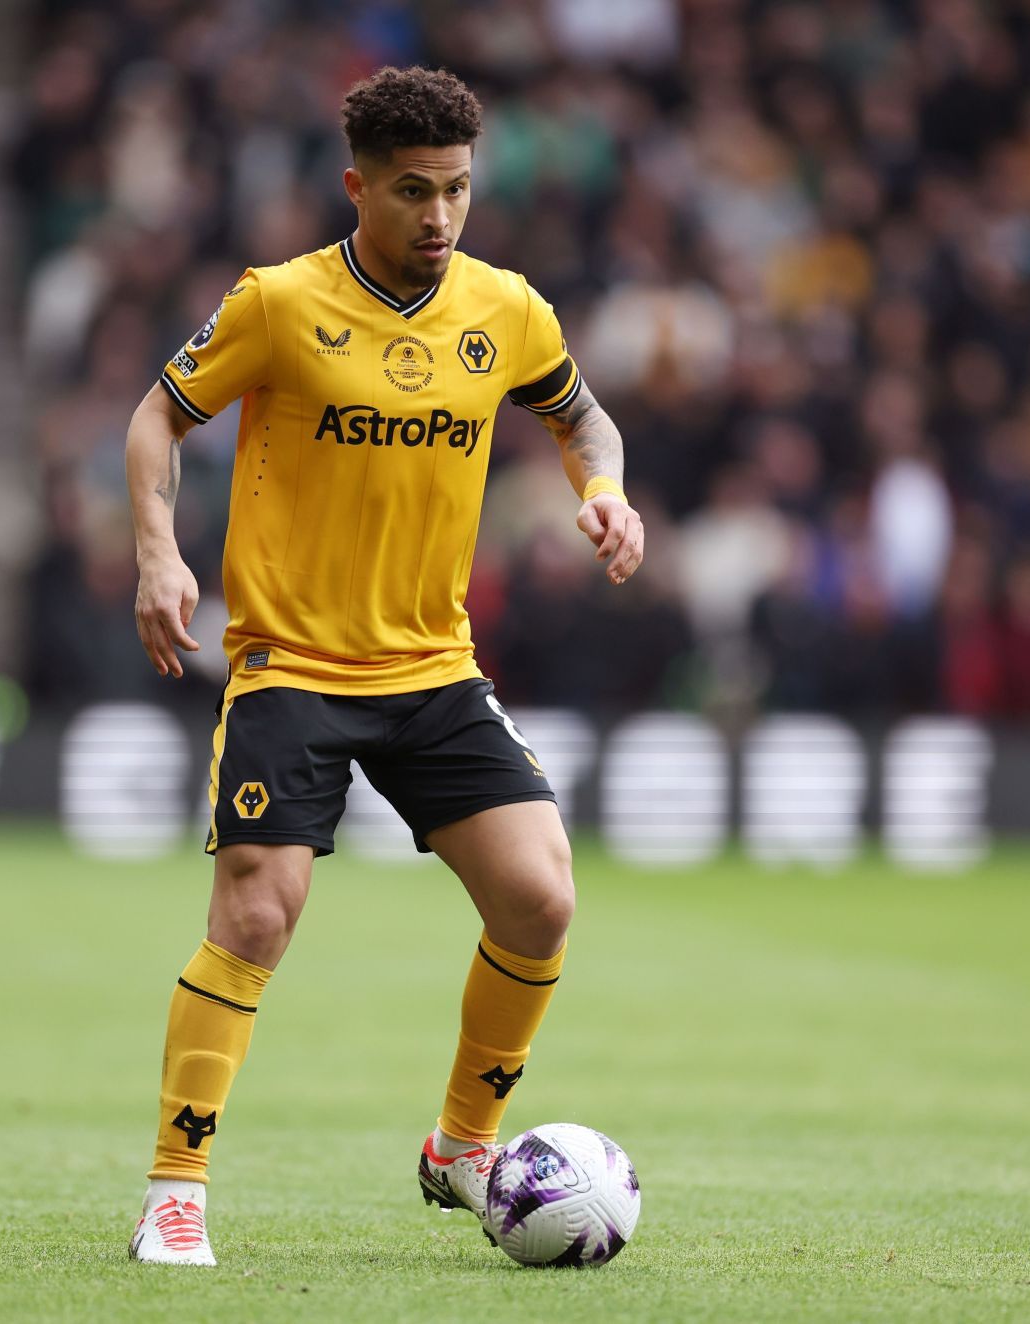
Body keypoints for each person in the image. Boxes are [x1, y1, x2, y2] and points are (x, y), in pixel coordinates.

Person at [120, 66, 644, 1266]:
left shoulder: (508, 309)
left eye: (458, 189)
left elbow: (581, 418)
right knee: (260, 909)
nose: (441, 217)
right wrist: (159, 554)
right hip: (291, 663)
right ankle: (176, 1187)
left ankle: (463, 1146)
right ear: (358, 186)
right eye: (414, 191)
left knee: (542, 895)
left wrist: (604, 492)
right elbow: (157, 416)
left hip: (431, 668)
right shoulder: (277, 303)